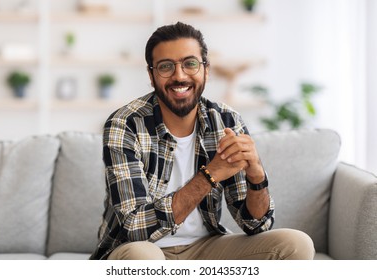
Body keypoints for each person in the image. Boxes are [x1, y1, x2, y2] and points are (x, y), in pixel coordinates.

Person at [90, 22, 315, 260]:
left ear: (205, 70)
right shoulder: (124, 124)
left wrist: (256, 174)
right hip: (140, 249)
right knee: (143, 259)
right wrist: (211, 174)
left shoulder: (227, 120)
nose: (179, 75)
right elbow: (134, 228)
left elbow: (255, 225)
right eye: (166, 66)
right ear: (151, 74)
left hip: (205, 248)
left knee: (296, 244)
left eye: (190, 64)